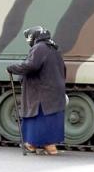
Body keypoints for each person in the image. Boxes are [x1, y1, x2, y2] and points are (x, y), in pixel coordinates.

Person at [7, 26, 66, 155]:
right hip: (54, 91)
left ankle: (38, 144)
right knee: (50, 118)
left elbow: (31, 65)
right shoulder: (54, 48)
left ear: (33, 37)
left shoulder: (39, 47)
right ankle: (45, 145)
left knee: (38, 116)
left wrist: (13, 68)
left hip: (42, 92)